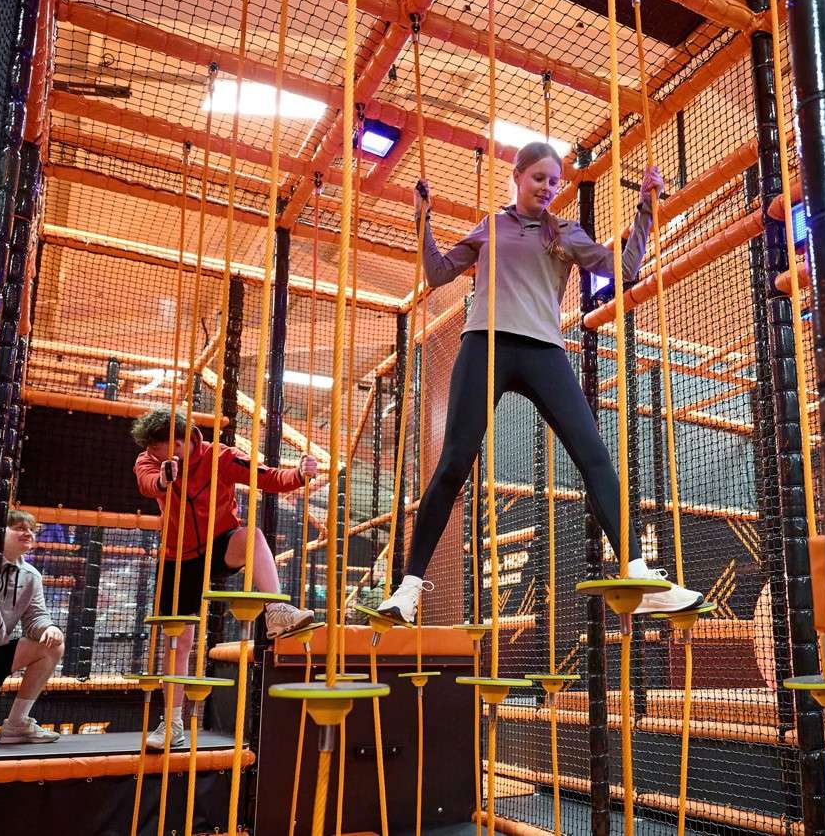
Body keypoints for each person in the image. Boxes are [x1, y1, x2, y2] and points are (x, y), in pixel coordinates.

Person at [377, 141, 703, 624]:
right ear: (518, 175)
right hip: (485, 345)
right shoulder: (491, 225)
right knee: (451, 465)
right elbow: (438, 272)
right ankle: (406, 590)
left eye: (555, 182)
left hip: (545, 351)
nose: (548, 188)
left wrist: (646, 213)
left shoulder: (565, 232)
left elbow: (624, 270)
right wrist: (423, 222)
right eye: (539, 179)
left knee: (594, 454)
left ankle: (636, 570)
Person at [132, 409, 317, 749]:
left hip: (220, 543)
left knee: (253, 537)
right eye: (151, 452)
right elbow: (147, 484)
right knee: (178, 641)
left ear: (179, 442)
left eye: (159, 450)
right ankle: (172, 724)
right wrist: (164, 479)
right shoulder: (149, 462)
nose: (153, 456)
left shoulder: (222, 457)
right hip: (179, 557)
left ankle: (276, 611)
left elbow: (269, 477)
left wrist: (299, 474)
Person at [0, 509, 65, 744]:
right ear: (0, 531)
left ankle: (17, 724)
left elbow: (35, 618)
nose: (28, 533)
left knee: (52, 647)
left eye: (31, 529)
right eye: (20, 528)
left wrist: (49, 629)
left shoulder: (31, 575)